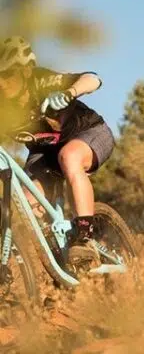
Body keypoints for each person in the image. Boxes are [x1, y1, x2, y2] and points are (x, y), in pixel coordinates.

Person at [0, 36, 115, 264]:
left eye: (7, 74)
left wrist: (69, 92)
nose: (2, 82)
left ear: (25, 71)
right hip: (45, 154)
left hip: (88, 133)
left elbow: (93, 79)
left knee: (69, 156)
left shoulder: (41, 80)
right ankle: (56, 262)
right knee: (25, 205)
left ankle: (85, 237)